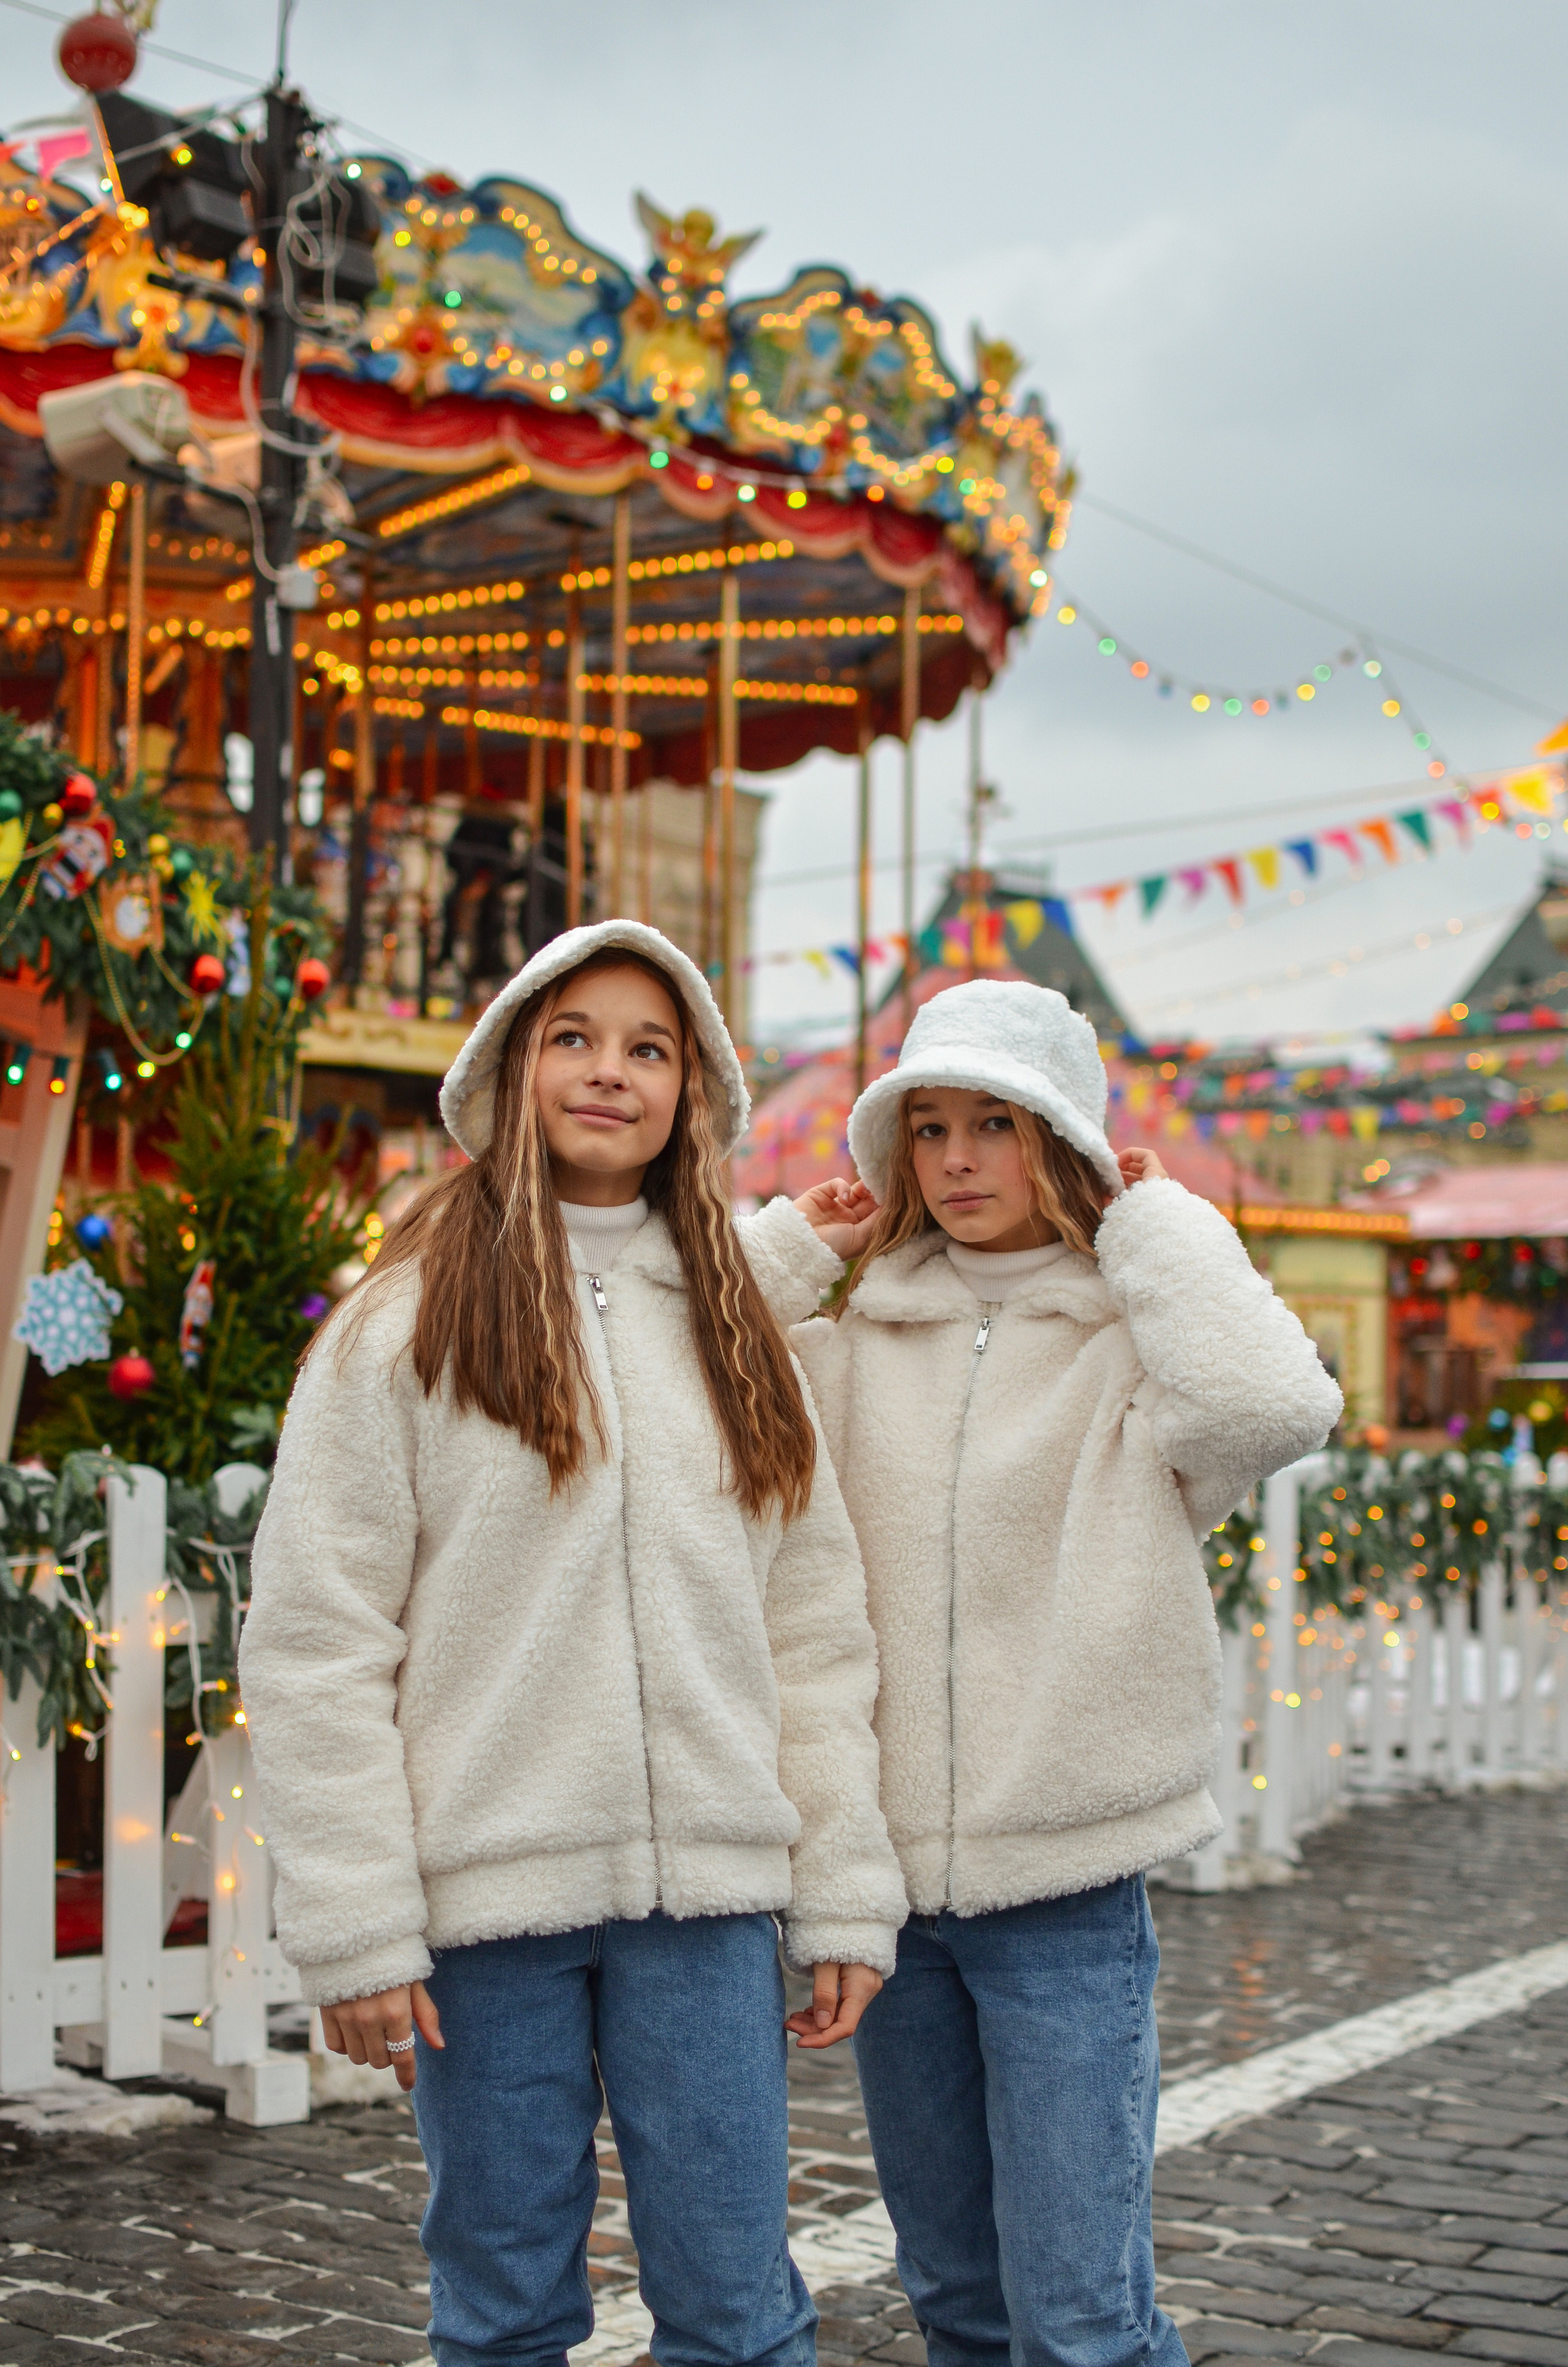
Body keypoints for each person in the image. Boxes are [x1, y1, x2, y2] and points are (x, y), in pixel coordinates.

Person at [239, 920, 905, 2367]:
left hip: (713, 1908)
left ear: (695, 1092)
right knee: (501, 2308)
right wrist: (356, 1922)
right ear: (510, 1066)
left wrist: (844, 1885)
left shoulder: (742, 1335)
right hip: (487, 1915)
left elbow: (812, 1636)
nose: (611, 1072)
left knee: (737, 2311)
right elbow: (314, 1640)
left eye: (649, 1048)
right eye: (575, 1038)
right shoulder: (400, 1328)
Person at [788, 977, 1343, 2367]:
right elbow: (688, 1387)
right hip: (891, 1898)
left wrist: (1150, 1223)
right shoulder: (853, 1344)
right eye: (928, 1128)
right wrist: (796, 1250)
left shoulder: (1133, 1345)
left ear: (1062, 1143)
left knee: (1080, 2317)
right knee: (958, 2303)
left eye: (997, 1123)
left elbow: (1276, 1405)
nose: (959, 1159)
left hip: (1069, 1889)